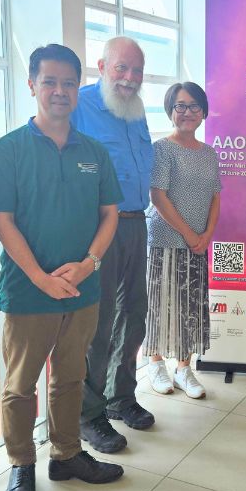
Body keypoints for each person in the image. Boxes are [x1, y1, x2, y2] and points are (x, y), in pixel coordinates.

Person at [0, 45, 125, 491]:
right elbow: (2, 220)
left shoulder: (94, 152)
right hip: (28, 291)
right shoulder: (10, 149)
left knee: (70, 376)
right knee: (20, 384)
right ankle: (22, 463)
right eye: (50, 82)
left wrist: (88, 265)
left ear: (78, 88)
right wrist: (40, 277)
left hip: (82, 288)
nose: (59, 91)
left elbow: (110, 215)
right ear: (32, 85)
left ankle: (66, 454)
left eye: (68, 83)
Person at [72, 36, 156, 447]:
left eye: (136, 71)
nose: (129, 78)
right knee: (99, 322)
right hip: (98, 227)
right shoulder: (80, 106)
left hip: (137, 223)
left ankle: (120, 397)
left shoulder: (136, 111)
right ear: (102, 66)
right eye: (121, 68)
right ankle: (87, 415)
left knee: (134, 314)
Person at [144, 82, 222, 399]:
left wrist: (206, 235)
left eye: (193, 106)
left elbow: (216, 196)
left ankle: (184, 368)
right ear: (170, 111)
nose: (187, 112)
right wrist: (190, 234)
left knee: (190, 304)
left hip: (198, 243)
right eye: (180, 106)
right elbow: (157, 196)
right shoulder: (162, 148)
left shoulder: (209, 153)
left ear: (203, 111)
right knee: (160, 303)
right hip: (164, 239)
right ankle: (155, 363)